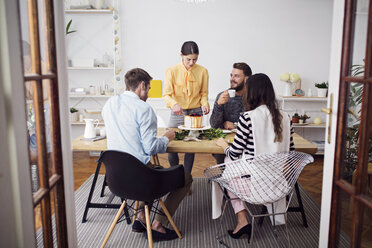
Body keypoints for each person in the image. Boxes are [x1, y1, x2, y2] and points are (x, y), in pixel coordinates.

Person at [102, 68, 193, 241]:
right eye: (149, 88)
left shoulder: (109, 104)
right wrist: (166, 138)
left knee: (150, 168)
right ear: (142, 85)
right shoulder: (144, 109)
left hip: (115, 180)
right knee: (186, 178)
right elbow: (151, 147)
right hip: (141, 180)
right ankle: (158, 225)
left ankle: (140, 218)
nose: (149, 94)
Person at [216, 73, 295, 240]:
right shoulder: (287, 118)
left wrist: (224, 146)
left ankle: (242, 220)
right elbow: (291, 153)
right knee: (232, 164)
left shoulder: (247, 118)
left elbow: (235, 152)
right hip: (279, 186)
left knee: (228, 163)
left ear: (251, 93)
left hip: (254, 188)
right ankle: (245, 220)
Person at [162, 41, 209, 175]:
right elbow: (166, 94)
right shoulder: (171, 71)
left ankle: (187, 178)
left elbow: (204, 94)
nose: (191, 63)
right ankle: (175, 174)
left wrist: (205, 104)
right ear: (181, 55)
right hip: (178, 112)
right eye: (188, 59)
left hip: (195, 112)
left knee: (190, 147)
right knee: (171, 144)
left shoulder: (203, 71)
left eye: (195, 59)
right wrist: (174, 104)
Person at [210, 62, 252, 164]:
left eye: (236, 76)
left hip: (246, 142)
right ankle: (226, 175)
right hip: (226, 141)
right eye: (231, 75)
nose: (232, 79)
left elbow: (254, 124)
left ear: (246, 79)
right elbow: (214, 125)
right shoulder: (222, 96)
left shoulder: (252, 97)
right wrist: (218, 105)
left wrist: (234, 125)